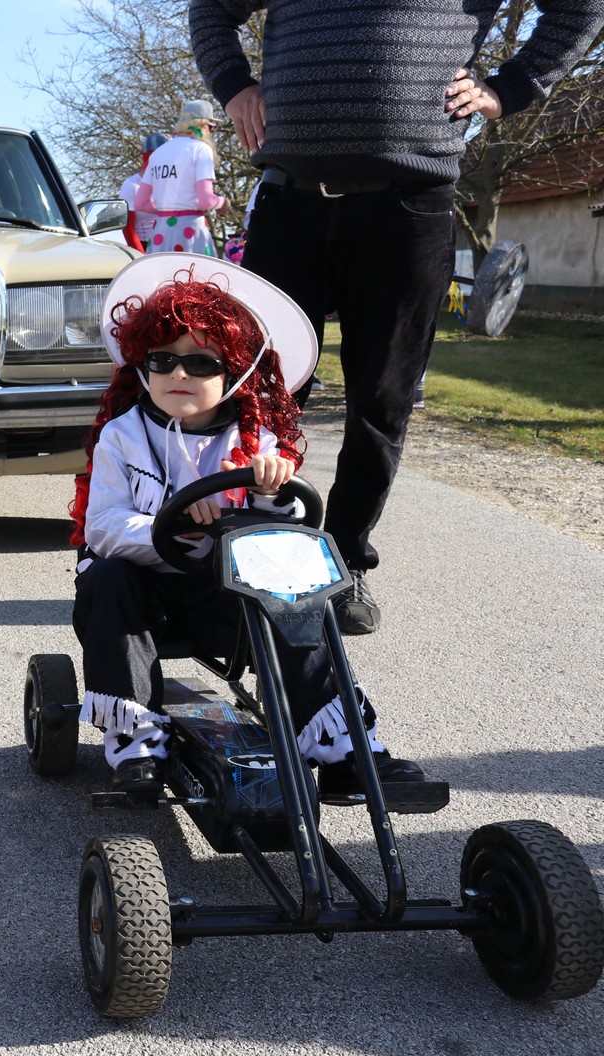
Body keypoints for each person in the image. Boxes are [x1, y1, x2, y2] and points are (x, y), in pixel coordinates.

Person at [189, 0, 604, 635]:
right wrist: (234, 85)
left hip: (408, 208)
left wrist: (510, 88)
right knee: (261, 389)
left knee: (382, 397)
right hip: (289, 203)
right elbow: (210, 9)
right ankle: (250, 550)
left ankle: (344, 560)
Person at [67, 254, 426, 795]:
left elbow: (291, 534)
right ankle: (137, 746)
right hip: (146, 600)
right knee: (109, 576)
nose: (179, 375)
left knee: (297, 587)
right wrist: (172, 526)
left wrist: (271, 494)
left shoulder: (257, 442)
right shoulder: (123, 436)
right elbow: (103, 526)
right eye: (163, 361)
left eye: (200, 363)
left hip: (230, 602)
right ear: (143, 367)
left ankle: (342, 748)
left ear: (234, 373)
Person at [133, 101, 232, 256]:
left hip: (161, 232)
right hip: (191, 231)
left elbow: (140, 203)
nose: (212, 132)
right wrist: (223, 202)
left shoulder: (158, 153)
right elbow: (206, 201)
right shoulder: (201, 150)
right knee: (197, 271)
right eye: (211, 127)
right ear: (203, 126)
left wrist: (168, 208)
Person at [119, 133, 169, 253]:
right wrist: (142, 257)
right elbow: (128, 228)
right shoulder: (131, 185)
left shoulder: (173, 183)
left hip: (171, 245)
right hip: (144, 247)